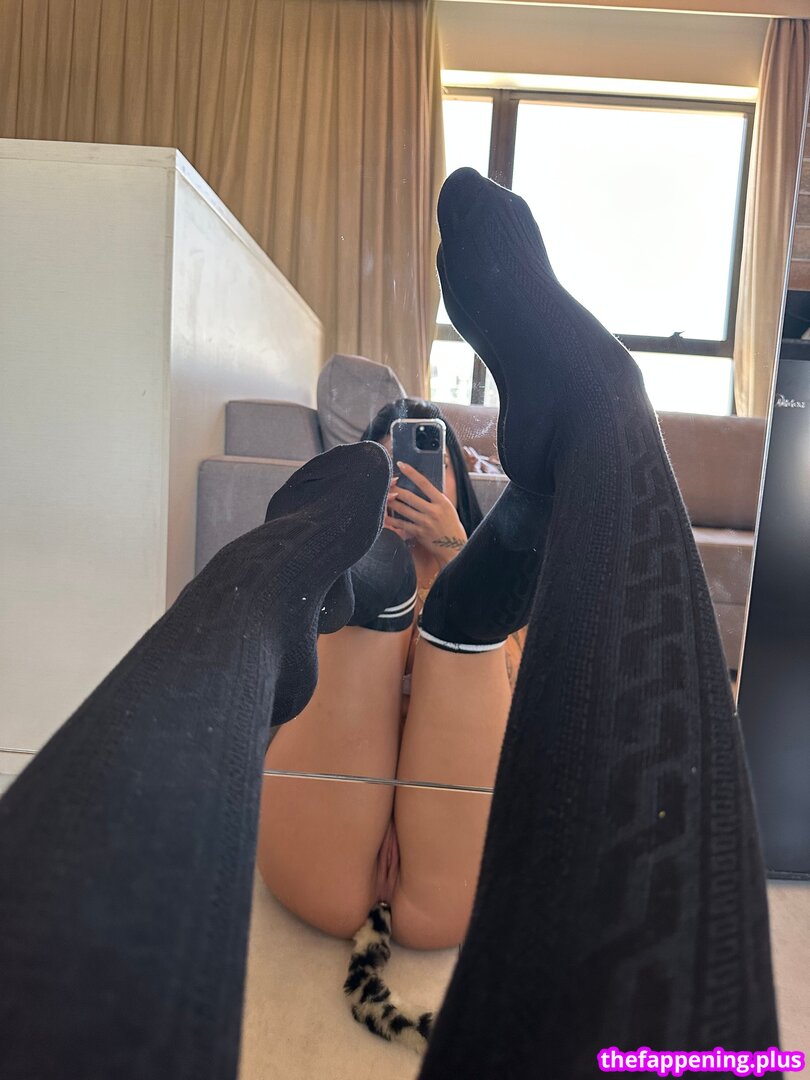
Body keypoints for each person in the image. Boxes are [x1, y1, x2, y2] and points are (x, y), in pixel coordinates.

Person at [0, 167, 779, 1080]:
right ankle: (594, 410)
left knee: (452, 625)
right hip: (323, 856)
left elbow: (544, 698)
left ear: (457, 477)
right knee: (386, 605)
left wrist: (455, 548)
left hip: (452, 869)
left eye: (426, 453)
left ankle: (325, 564)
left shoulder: (485, 557)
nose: (411, 470)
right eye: (390, 453)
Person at [256, 397, 530, 950]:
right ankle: (374, 585)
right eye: (386, 468)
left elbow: (517, 695)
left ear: (457, 483)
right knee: (360, 603)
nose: (405, 480)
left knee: (472, 625)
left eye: (431, 463)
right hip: (324, 828)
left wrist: (455, 550)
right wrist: (360, 547)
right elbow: (281, 687)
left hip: (458, 842)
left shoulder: (501, 592)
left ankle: (448, 598)